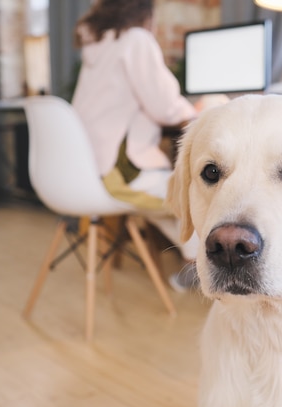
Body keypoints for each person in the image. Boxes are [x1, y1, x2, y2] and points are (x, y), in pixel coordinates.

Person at [71, 0, 209, 291]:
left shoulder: (100, 45)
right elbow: (164, 107)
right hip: (121, 171)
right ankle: (200, 267)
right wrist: (198, 111)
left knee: (171, 196)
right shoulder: (136, 39)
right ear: (144, 12)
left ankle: (193, 263)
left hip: (90, 168)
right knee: (197, 194)